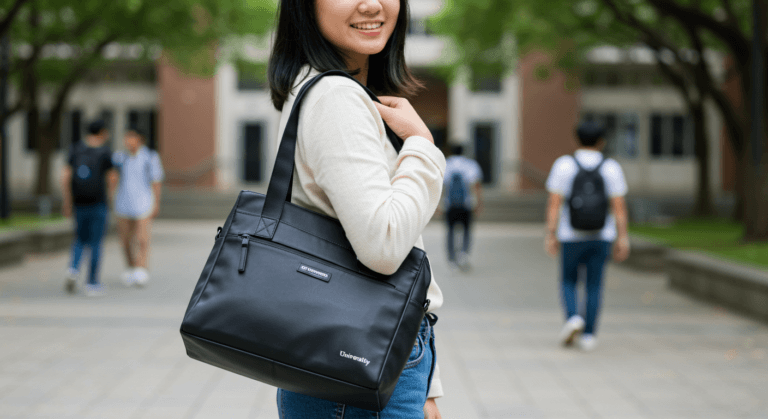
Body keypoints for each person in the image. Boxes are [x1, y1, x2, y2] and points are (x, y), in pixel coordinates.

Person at [268, 0, 444, 417]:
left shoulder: (317, 86)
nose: (371, 4)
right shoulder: (335, 96)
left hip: (348, 355)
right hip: (361, 363)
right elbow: (383, 245)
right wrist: (422, 145)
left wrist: (428, 382)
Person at [544, 121, 630, 351]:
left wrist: (550, 234)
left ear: (576, 139)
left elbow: (554, 203)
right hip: (602, 235)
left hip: (570, 235)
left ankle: (573, 317)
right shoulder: (611, 167)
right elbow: (619, 206)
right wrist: (623, 237)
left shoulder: (563, 165)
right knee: (594, 285)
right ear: (601, 141)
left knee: (568, 280)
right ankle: (589, 335)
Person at [61, 120, 117, 297]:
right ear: (102, 132)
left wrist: (67, 201)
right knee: (95, 243)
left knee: (79, 238)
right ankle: (92, 282)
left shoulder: (75, 149)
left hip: (79, 202)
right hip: (98, 202)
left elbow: (65, 176)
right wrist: (111, 199)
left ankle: (73, 269)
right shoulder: (105, 151)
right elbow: (112, 178)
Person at [112, 126, 164, 287]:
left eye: (131, 137)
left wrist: (156, 202)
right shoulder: (120, 158)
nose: (127, 141)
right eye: (126, 138)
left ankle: (141, 268)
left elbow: (156, 181)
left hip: (143, 203)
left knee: (142, 238)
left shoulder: (150, 157)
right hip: (123, 203)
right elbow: (112, 178)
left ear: (140, 139)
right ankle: (130, 266)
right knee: (125, 240)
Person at [442, 144, 483, 270]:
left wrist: (438, 205)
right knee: (466, 230)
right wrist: (479, 203)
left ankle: (451, 259)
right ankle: (463, 254)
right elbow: (476, 186)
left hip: (450, 204)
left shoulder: (445, 164)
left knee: (450, 231)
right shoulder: (471, 165)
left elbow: (440, 186)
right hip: (466, 204)